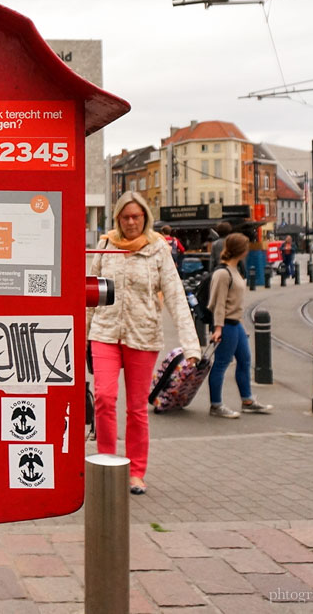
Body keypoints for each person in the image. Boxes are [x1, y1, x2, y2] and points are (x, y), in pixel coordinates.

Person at [87, 191, 202, 496]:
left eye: (137, 216)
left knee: (137, 408)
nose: (131, 222)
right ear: (118, 218)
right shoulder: (105, 245)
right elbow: (88, 293)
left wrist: (191, 347)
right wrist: (75, 339)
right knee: (104, 397)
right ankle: (107, 463)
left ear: (145, 218)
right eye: (126, 217)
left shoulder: (158, 249)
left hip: (143, 335)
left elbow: (176, 296)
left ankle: (136, 471)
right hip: (105, 332)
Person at [207, 233, 273, 418]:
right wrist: (218, 328)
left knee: (245, 360)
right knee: (221, 364)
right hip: (226, 325)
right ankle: (216, 405)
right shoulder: (223, 273)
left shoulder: (236, 270)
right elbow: (218, 303)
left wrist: (242, 326)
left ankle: (248, 401)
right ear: (242, 250)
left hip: (236, 324)